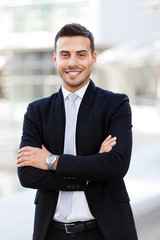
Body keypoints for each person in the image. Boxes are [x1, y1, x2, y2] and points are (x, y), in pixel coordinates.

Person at [17, 23, 138, 240]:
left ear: (93, 57)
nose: (73, 62)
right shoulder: (37, 111)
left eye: (81, 54)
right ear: (55, 59)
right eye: (65, 55)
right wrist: (92, 170)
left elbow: (117, 165)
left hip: (105, 231)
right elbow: (26, 175)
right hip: (51, 232)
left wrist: (51, 161)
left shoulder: (116, 104)